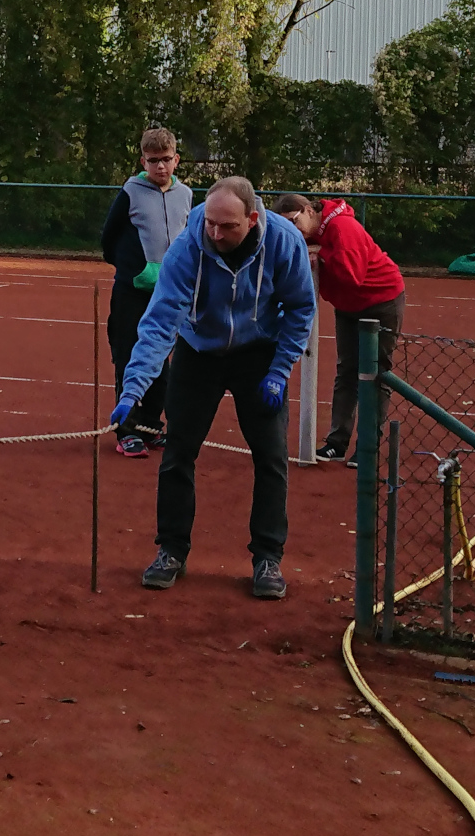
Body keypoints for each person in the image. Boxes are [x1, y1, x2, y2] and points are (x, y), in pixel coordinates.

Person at [112, 175, 315, 599]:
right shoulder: (188, 247)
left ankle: (267, 558)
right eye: (210, 224)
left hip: (259, 353)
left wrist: (279, 370)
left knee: (271, 457)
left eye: (228, 227)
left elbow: (299, 309)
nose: (216, 234)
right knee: (177, 453)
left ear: (253, 218)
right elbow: (160, 320)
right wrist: (133, 388)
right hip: (198, 350)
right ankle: (171, 551)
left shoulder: (284, 242)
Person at [272, 193, 405, 467]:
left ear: (309, 211)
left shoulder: (342, 228)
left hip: (380, 301)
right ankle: (337, 442)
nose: (293, 230)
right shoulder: (311, 234)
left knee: (376, 374)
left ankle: (368, 446)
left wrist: (322, 255)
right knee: (346, 372)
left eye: (294, 222)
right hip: (347, 308)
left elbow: (351, 276)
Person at [99, 127, 193, 458]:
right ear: (144, 161)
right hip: (132, 293)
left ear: (176, 159)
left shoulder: (186, 195)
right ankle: (127, 431)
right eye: (153, 161)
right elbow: (109, 239)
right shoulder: (131, 192)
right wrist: (134, 271)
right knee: (128, 356)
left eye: (166, 160)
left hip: (169, 294)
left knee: (162, 359)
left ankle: (152, 425)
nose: (160, 167)